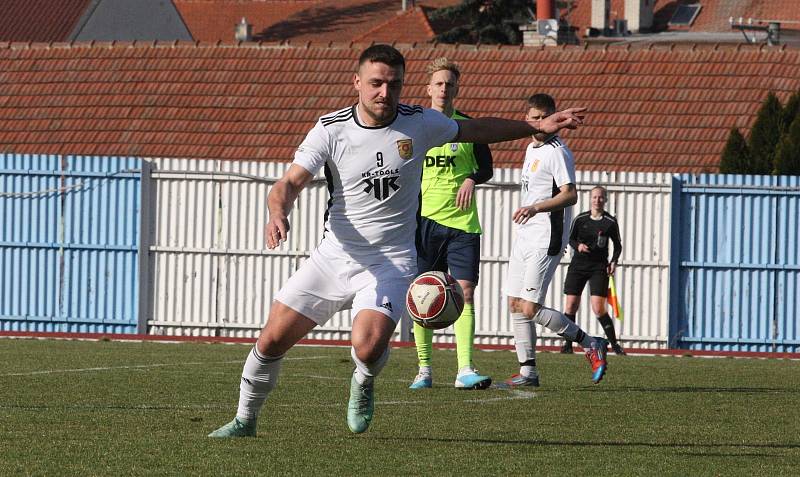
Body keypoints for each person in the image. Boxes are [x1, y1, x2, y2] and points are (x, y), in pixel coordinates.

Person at [208, 45, 586, 438]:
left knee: (367, 347)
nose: (384, 94)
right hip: (333, 257)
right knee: (270, 340)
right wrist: (277, 212)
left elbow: (477, 130)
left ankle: (363, 382)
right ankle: (244, 420)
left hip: (391, 262)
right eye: (375, 83)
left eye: (393, 84)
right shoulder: (331, 128)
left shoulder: (419, 123)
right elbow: (288, 183)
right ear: (357, 82)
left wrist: (537, 128)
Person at [501, 93, 608, 388]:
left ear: (553, 119)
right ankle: (528, 372)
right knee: (514, 303)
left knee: (530, 308)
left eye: (542, 117)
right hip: (525, 235)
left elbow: (570, 194)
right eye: (533, 118)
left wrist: (535, 208)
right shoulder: (530, 147)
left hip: (547, 236)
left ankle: (590, 343)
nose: (537, 123)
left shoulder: (556, 151)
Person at [408, 58, 493, 391]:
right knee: (422, 294)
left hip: (462, 225)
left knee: (466, 293)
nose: (444, 89)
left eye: (450, 84)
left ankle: (465, 369)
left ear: (457, 89)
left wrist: (472, 178)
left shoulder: (468, 128)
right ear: (428, 88)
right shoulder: (415, 127)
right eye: (439, 83)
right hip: (423, 222)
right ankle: (424, 369)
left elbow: (486, 168)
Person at [560, 186, 625, 355]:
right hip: (578, 266)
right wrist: (578, 245)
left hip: (598, 267)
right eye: (595, 197)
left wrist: (613, 262)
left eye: (601, 197)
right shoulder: (581, 219)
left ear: (605, 199)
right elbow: (570, 238)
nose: (597, 200)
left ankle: (615, 345)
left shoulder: (610, 222)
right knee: (571, 305)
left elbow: (618, 246)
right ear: (590, 199)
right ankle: (567, 346)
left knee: (598, 308)